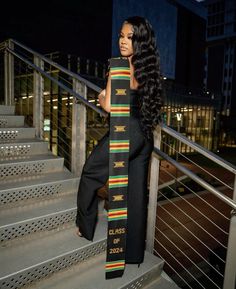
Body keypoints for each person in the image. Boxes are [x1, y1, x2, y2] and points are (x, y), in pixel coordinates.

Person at [76, 15, 162, 273]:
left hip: (125, 131)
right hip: (144, 136)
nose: (122, 41)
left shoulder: (118, 65)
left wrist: (101, 96)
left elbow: (112, 106)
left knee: (91, 172)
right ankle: (133, 253)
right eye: (121, 36)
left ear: (139, 41)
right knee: (136, 195)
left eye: (129, 37)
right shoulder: (150, 68)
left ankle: (85, 225)